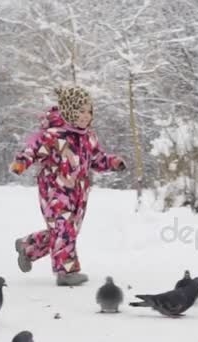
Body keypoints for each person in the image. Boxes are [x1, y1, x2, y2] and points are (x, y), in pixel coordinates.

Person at [10, 86, 126, 286]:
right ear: (69, 110)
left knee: (66, 231)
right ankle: (66, 272)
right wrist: (22, 162)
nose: (86, 116)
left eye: (89, 111)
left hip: (79, 193)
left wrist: (112, 162)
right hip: (55, 191)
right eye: (81, 111)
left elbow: (96, 159)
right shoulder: (54, 136)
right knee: (64, 229)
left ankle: (28, 246)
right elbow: (33, 150)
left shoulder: (88, 137)